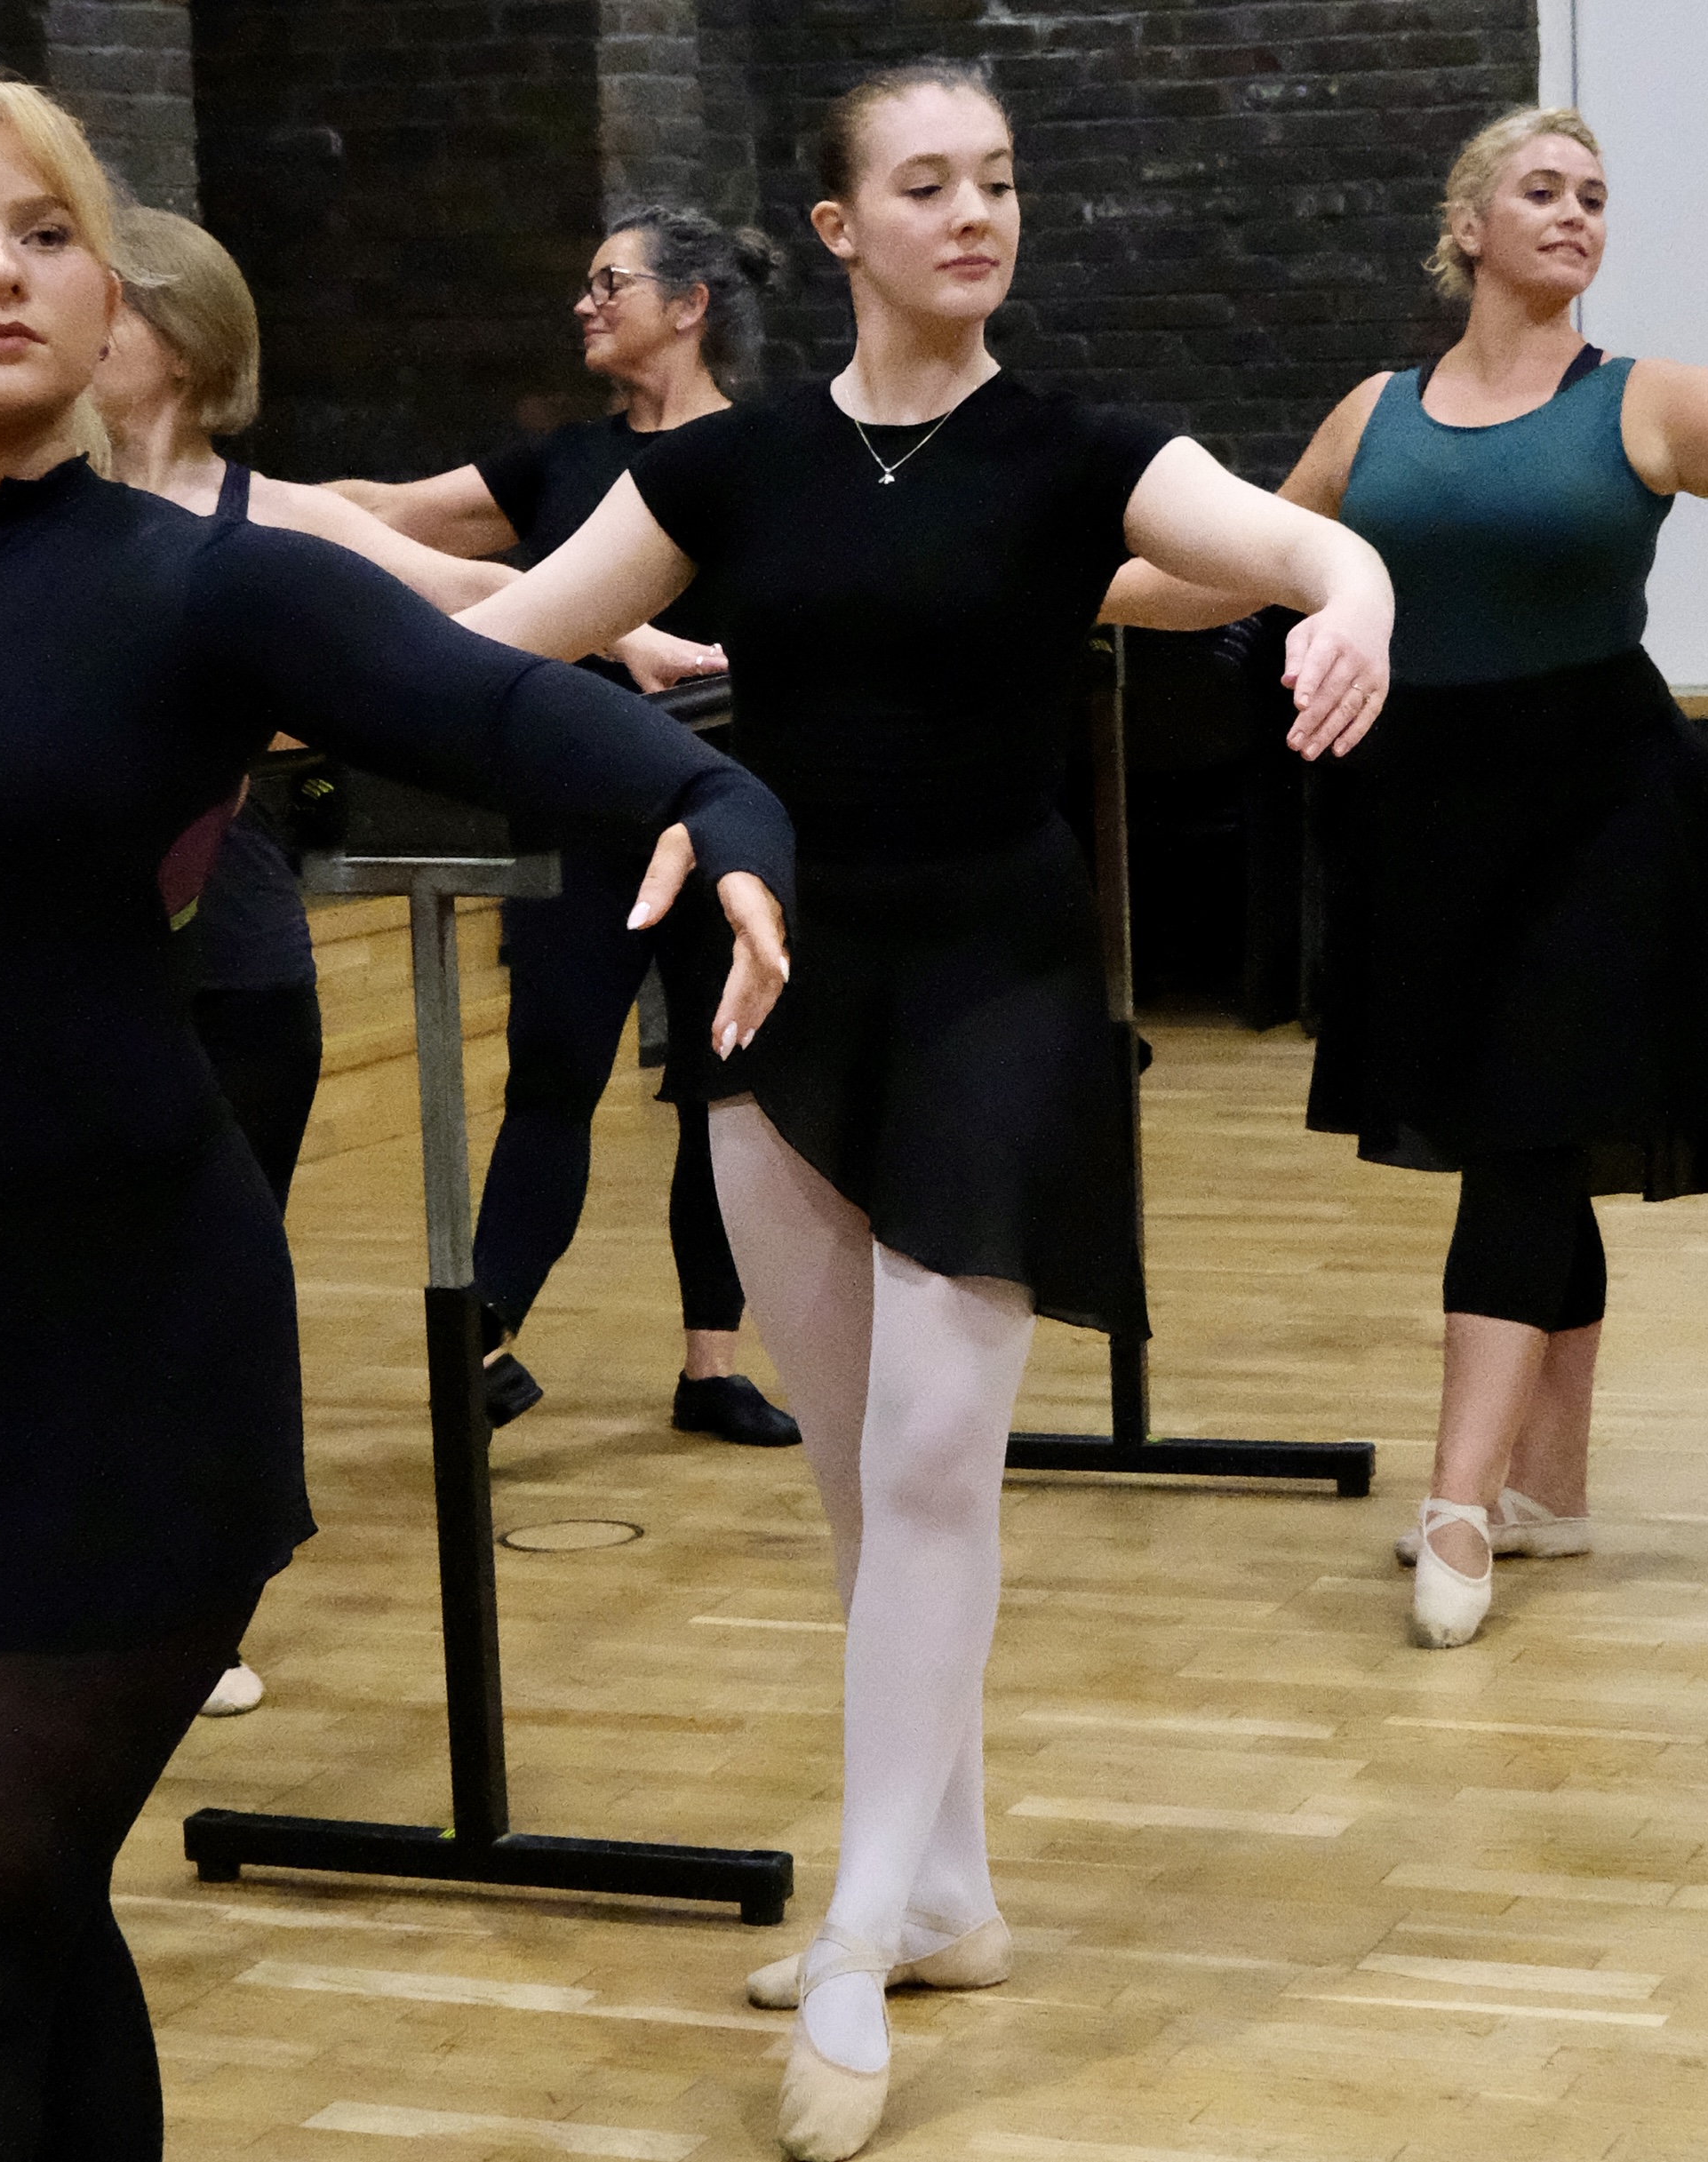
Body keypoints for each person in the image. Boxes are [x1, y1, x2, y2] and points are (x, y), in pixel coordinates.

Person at [0, 77, 792, 2158]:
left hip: (123, 1347)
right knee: (2, 1926)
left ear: (107, 302)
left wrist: (719, 798)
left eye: (48, 234)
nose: (3, 271)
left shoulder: (205, 588)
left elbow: (508, 703)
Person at [459, 60, 1392, 2160]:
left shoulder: (1082, 454)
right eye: (926, 183)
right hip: (783, 984)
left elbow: (1306, 545)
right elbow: (506, 641)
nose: (975, 213)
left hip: (1000, 986)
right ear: (837, 228)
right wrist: (227, 664)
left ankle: (862, 1929)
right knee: (855, 1482)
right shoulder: (734, 468)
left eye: (997, 181)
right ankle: (950, 1887)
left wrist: (1353, 608)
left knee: (936, 1454)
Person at [0, 200, 635, 1719]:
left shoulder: (240, 539)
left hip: (212, 957)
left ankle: (156, 1581)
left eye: (67, 259)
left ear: (169, 339)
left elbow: (459, 618)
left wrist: (635, 650)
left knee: (145, 1269)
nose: (15, 286)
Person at [1105, 106, 1708, 1652]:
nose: (1575, 214)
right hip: (1425, 822)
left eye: (1595, 197)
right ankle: (1547, 1487)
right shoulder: (1375, 414)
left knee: (1518, 1135)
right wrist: (1041, 586)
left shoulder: (1640, 400)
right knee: (1535, 1140)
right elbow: (1227, 567)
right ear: (1468, 229)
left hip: (1604, 813)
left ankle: (1458, 1500)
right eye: (1543, 190)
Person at [332, 211, 797, 1447]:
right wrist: (225, 493)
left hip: (721, 815)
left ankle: (712, 1368)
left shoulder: (767, 455)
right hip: (578, 815)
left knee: (724, 1091)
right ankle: (482, 1336)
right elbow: (387, 514)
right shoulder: (558, 464)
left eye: (610, 284)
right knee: (552, 1077)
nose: (585, 305)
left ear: (690, 306)